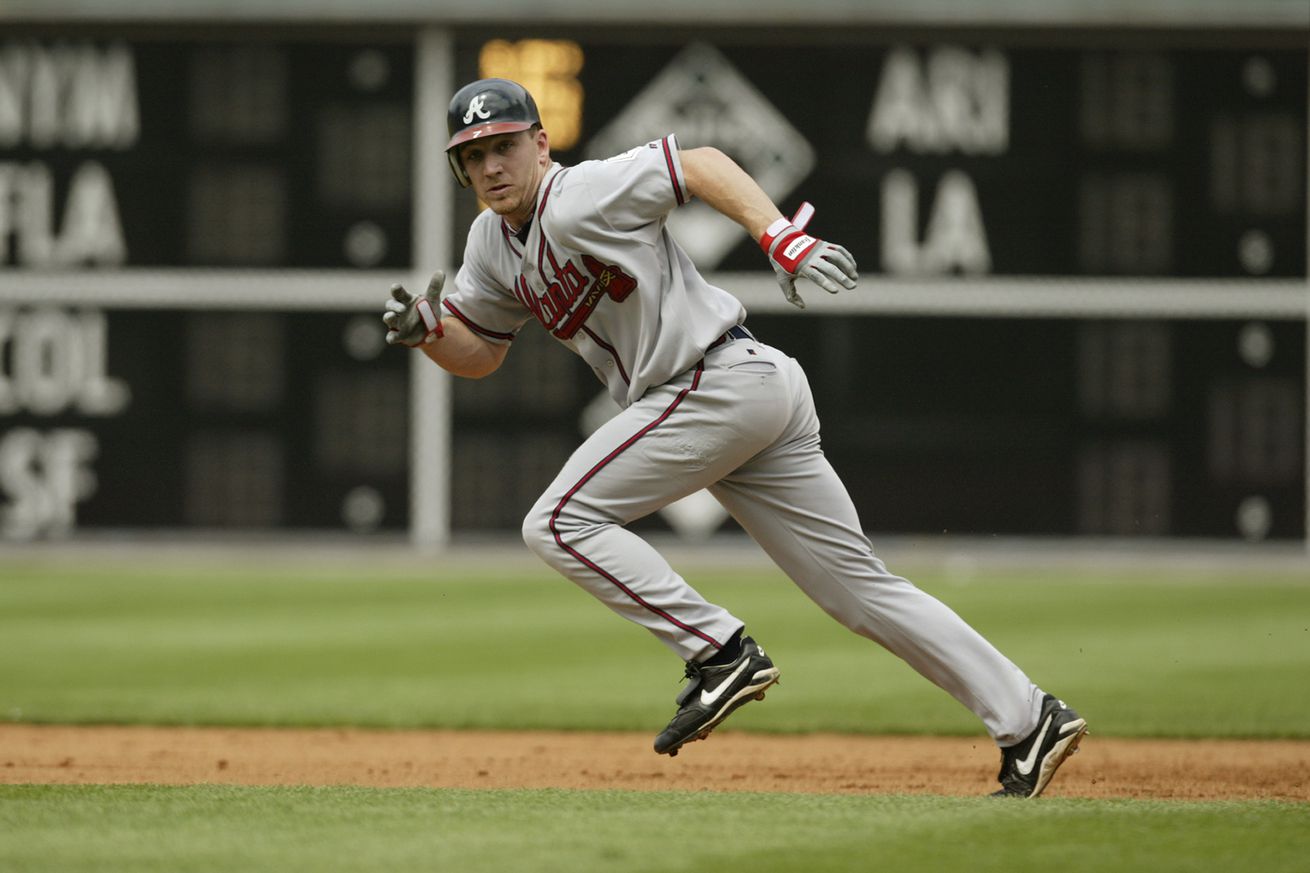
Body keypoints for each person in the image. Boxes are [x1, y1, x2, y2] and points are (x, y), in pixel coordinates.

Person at [383, 77, 1087, 798]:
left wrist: (778, 235)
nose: (490, 166)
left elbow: (702, 162)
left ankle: (718, 652)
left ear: (539, 142)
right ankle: (1029, 718)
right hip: (741, 391)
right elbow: (484, 350)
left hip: (712, 381)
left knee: (558, 521)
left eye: (503, 145)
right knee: (859, 593)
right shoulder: (490, 243)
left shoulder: (581, 192)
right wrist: (431, 333)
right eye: (472, 156)